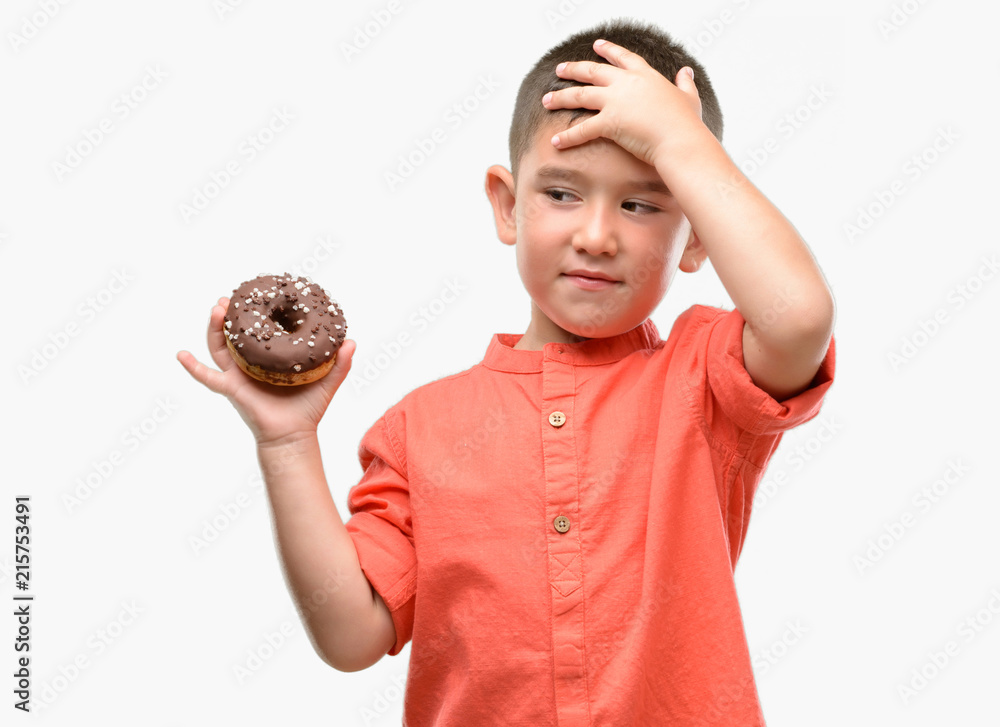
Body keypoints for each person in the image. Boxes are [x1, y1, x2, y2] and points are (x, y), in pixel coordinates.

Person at [178, 16, 835, 726]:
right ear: (506, 203)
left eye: (642, 203)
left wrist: (682, 142)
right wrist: (286, 444)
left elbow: (797, 316)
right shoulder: (419, 428)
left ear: (697, 235)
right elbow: (349, 633)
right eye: (561, 193)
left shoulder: (704, 379)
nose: (595, 235)